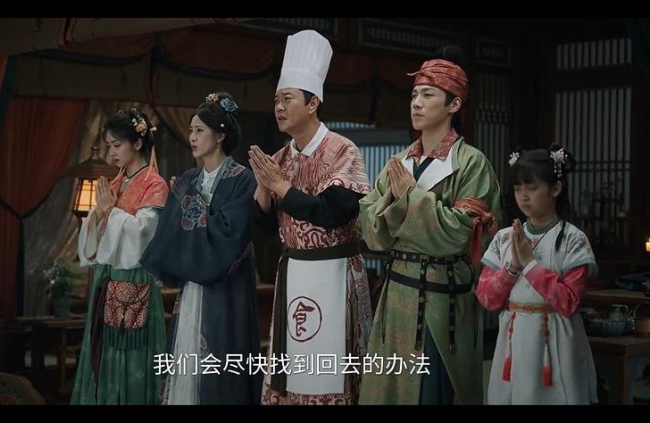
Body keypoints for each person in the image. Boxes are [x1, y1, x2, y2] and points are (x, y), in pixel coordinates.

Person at [357, 46, 501, 405]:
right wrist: (397, 203)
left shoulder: (472, 163)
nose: (417, 103)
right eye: (414, 95)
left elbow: (458, 234)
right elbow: (371, 229)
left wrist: (409, 198)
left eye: (428, 95)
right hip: (396, 297)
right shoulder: (399, 161)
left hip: (441, 299)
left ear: (454, 104)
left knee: (432, 391)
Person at [248, 29, 372, 405]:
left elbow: (332, 213)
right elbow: (263, 230)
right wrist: (262, 190)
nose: (279, 107)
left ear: (313, 102)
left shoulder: (342, 150)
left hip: (335, 274)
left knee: (333, 374)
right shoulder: (280, 159)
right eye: (276, 100)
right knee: (293, 372)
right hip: (294, 274)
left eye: (287, 98)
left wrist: (280, 187)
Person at [140, 92, 261, 405]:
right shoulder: (189, 178)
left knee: (223, 358)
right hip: (193, 284)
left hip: (228, 285)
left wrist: (189, 203)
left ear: (219, 136)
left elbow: (231, 233)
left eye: (199, 130)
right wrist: (185, 203)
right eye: (191, 130)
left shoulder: (242, 179)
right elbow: (170, 230)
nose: (191, 137)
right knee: (187, 349)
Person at [475, 145, 598, 405]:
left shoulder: (573, 239)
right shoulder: (504, 238)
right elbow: (487, 298)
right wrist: (512, 267)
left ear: (556, 189)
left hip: (556, 338)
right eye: (518, 189)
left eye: (532, 188)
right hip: (513, 337)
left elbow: (569, 302)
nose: (523, 196)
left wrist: (530, 264)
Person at [70, 109, 170, 405]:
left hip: (135, 278)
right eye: (109, 146)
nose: (111, 153)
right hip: (108, 278)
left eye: (117, 146)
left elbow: (143, 234)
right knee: (104, 351)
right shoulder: (116, 182)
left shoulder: (154, 185)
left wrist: (109, 212)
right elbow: (97, 226)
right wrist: (101, 214)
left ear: (137, 144)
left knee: (133, 357)